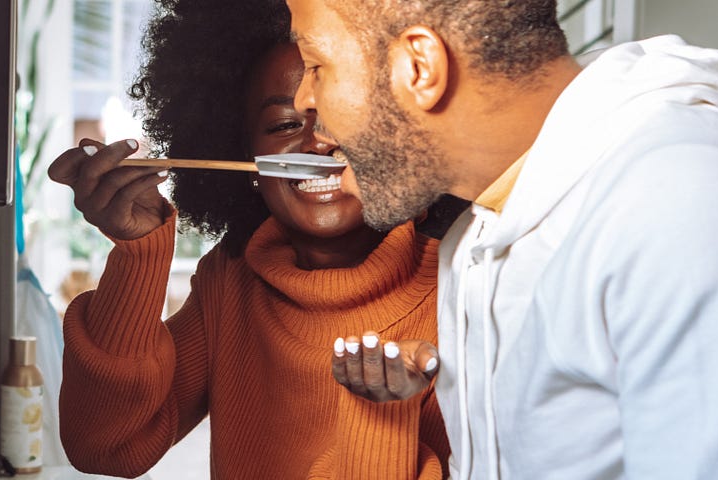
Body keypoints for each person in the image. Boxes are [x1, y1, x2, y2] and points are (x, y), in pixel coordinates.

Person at [284, 0, 718, 478]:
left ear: (419, 66)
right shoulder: (479, 233)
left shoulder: (685, 203)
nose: (304, 101)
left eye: (315, 65)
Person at [46, 0, 450, 477]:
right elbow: (106, 447)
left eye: (343, 111)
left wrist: (380, 412)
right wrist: (139, 254)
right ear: (246, 157)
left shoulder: (460, 285)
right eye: (283, 125)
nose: (317, 144)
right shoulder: (233, 280)